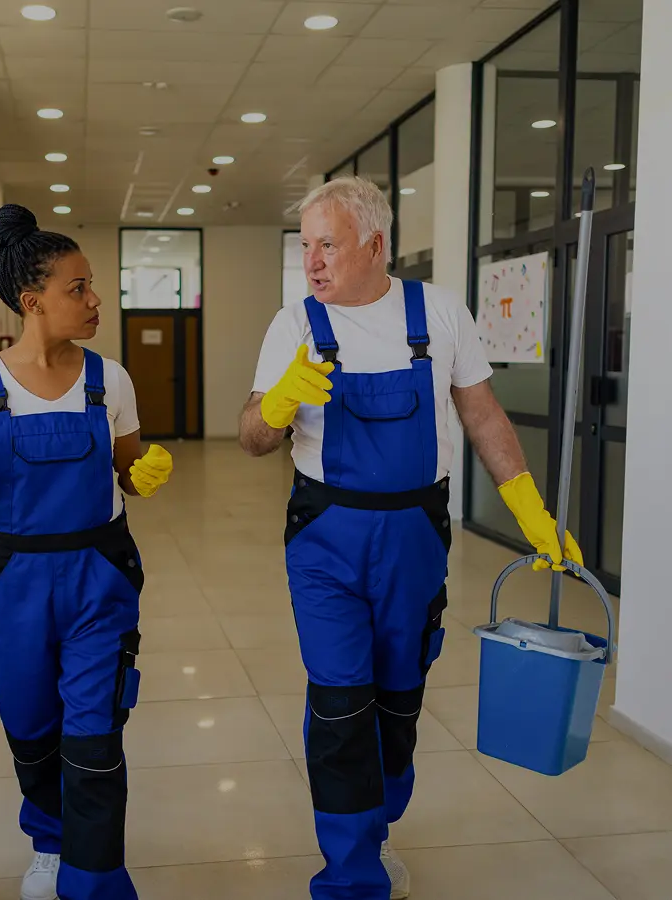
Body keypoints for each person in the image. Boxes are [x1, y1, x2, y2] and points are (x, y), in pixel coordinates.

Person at [239, 176, 580, 900]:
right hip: (326, 538)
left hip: (415, 538)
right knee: (339, 704)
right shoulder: (294, 325)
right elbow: (253, 438)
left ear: (375, 243)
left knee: (398, 699)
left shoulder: (438, 313)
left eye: (327, 244)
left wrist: (529, 509)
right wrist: (277, 404)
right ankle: (351, 874)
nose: (314, 263)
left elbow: (484, 417)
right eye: (306, 247)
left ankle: (376, 820)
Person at [0, 205, 172, 900]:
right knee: (31, 731)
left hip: (98, 578)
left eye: (92, 286)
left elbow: (128, 469)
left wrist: (144, 475)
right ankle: (52, 843)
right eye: (78, 288)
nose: (95, 300)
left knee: (94, 737)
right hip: (13, 583)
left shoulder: (107, 380)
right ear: (34, 302)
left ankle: (95, 875)